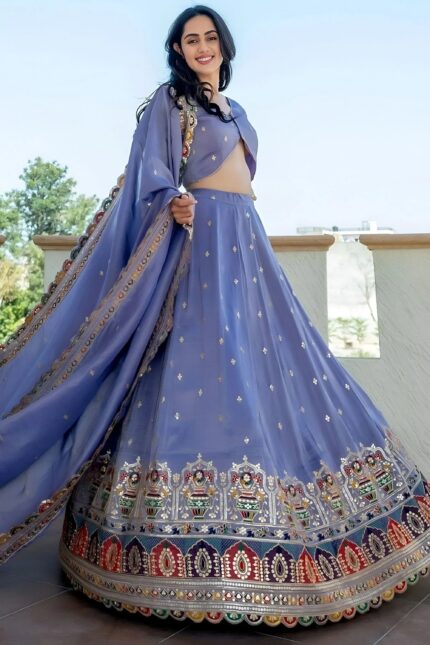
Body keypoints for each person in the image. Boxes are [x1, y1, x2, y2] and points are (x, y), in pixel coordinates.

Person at [1, 4, 429, 631]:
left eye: (209, 38)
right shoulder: (170, 104)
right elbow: (149, 178)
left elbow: (242, 182)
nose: (201, 47)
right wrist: (172, 201)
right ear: (178, 50)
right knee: (198, 367)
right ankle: (162, 549)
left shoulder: (237, 110)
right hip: (198, 245)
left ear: (224, 46)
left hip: (246, 243)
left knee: (276, 366)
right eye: (189, 39)